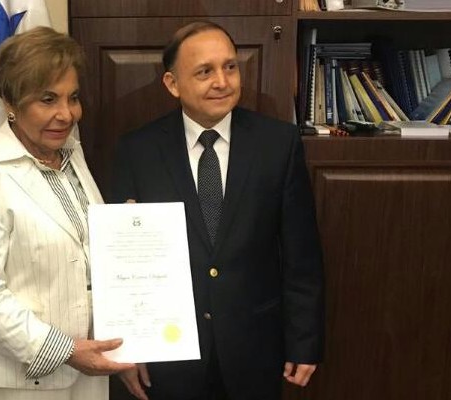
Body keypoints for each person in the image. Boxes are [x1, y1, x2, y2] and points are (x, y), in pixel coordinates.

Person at [111, 21, 325, 400]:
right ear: (173, 84)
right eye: (204, 71)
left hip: (254, 349)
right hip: (169, 356)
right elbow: (124, 266)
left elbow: (301, 255)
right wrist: (129, 350)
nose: (222, 81)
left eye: (230, 67)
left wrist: (304, 340)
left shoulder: (278, 144)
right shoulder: (137, 151)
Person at [0, 26, 134, 400]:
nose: (66, 114)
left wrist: (123, 229)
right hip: (22, 379)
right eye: (48, 99)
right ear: (10, 103)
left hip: (90, 364)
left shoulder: (73, 157)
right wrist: (65, 350)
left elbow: (73, 252)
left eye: (73, 97)